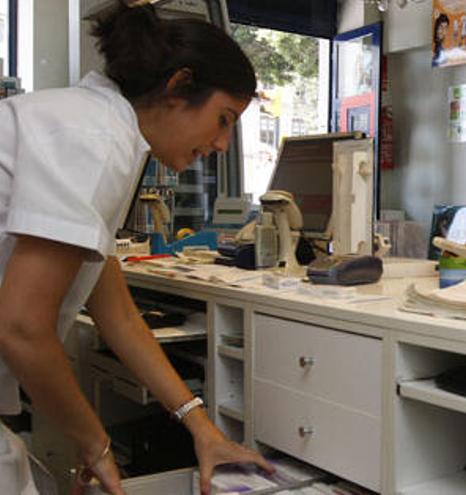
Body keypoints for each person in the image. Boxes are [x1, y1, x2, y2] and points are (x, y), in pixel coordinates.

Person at [0, 2, 272, 494]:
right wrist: (94, 442)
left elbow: (118, 314)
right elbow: (21, 327)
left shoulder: (103, 129)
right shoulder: (98, 139)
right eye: (223, 118)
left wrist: (203, 429)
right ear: (178, 87)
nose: (222, 144)